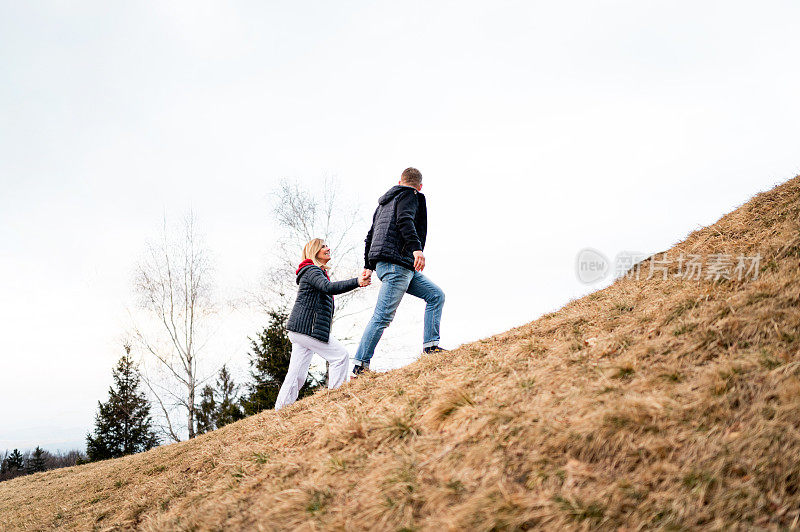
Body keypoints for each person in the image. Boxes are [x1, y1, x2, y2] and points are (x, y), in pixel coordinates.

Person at [353, 167, 446, 375]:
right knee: (382, 317)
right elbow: (405, 220)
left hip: (395, 266)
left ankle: (430, 346)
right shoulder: (410, 196)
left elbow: (370, 235)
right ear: (419, 186)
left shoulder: (384, 203)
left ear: (399, 180)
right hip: (398, 266)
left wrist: (368, 266)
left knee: (435, 295)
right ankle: (360, 365)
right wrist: (417, 249)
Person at [275, 238, 370, 410]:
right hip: (307, 329)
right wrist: (357, 281)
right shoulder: (311, 270)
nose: (328, 248)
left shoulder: (311, 271)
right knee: (340, 357)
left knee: (297, 374)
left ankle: (280, 410)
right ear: (315, 251)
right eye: (324, 247)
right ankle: (336, 400)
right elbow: (329, 287)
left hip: (300, 329)